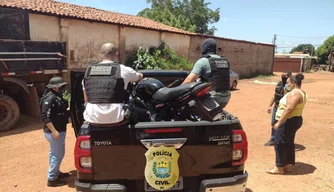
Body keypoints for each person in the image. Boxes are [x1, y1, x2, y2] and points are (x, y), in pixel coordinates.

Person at [82, 42, 151, 126]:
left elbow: (86, 99)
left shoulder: (88, 71)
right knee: (145, 113)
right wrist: (140, 75)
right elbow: (139, 77)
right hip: (116, 118)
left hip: (93, 119)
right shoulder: (123, 70)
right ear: (116, 54)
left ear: (100, 55)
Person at [266, 73, 307, 174]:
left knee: (279, 142)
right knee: (288, 142)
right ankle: (287, 165)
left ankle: (279, 167)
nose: (286, 84)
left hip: (287, 121)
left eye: (288, 82)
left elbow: (289, 109)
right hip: (294, 120)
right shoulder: (300, 92)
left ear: (293, 83)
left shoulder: (294, 93)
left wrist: (279, 122)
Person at [182, 38, 231, 109]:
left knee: (188, 108)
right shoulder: (224, 61)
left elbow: (189, 80)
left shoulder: (203, 61)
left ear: (204, 48)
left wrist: (175, 93)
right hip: (226, 97)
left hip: (212, 98)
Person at [40, 77, 70, 187]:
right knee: (58, 155)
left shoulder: (56, 96)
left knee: (54, 153)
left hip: (59, 129)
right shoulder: (50, 98)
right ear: (54, 87)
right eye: (60, 86)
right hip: (54, 131)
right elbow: (45, 117)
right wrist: (54, 131)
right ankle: (52, 178)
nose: (62, 87)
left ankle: (56, 173)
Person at [264, 70, 292, 146]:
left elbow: (287, 95)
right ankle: (273, 139)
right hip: (276, 106)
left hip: (284, 108)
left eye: (285, 76)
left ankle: (283, 140)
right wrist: (270, 106)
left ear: (289, 77)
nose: (283, 78)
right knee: (274, 123)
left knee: (283, 124)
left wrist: (287, 85)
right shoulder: (279, 84)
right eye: (282, 76)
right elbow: (275, 95)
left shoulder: (290, 86)